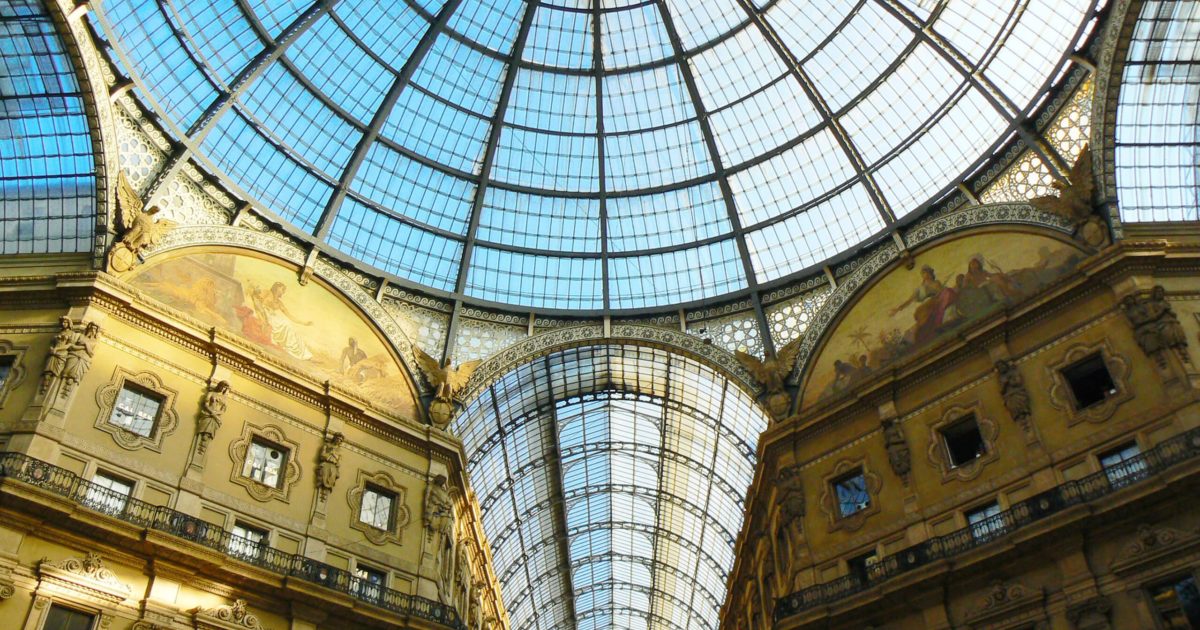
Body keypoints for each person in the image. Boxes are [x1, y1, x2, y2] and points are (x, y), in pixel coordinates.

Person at [250, 282, 313, 361]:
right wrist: (261, 313)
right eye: (282, 289)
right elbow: (256, 297)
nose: (283, 291)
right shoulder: (267, 293)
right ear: (276, 288)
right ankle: (293, 348)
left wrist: (304, 323)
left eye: (284, 290)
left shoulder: (279, 303)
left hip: (273, 318)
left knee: (291, 328)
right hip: (265, 315)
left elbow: (290, 316)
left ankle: (302, 353)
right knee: (286, 324)